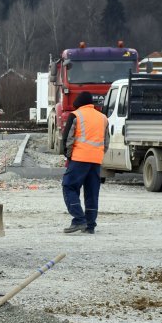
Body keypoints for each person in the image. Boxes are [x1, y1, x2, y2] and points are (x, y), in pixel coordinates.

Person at [60, 91, 109, 234]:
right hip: (96, 160)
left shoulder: (75, 115)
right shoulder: (103, 118)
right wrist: (98, 154)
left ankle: (79, 220)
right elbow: (106, 141)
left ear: (78, 103)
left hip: (79, 158)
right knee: (92, 192)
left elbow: (67, 139)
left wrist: (68, 157)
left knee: (69, 186)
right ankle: (90, 225)